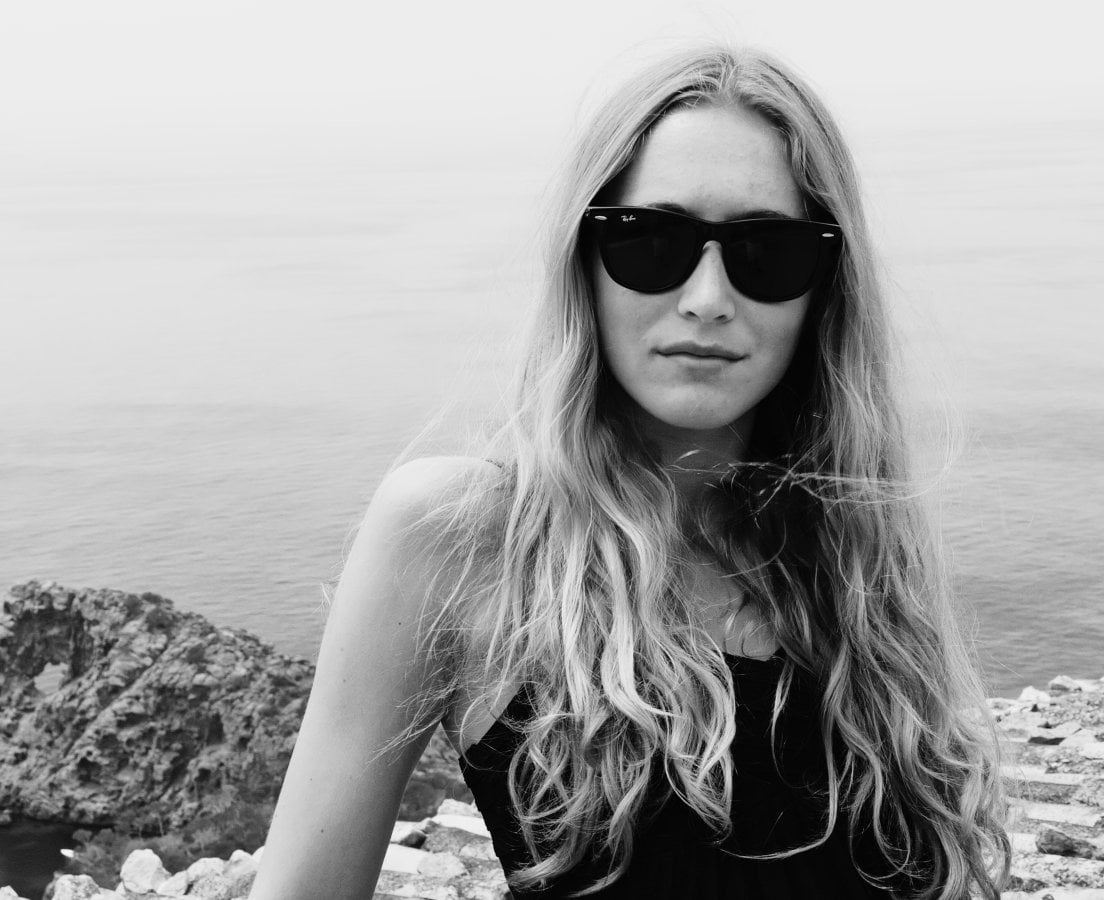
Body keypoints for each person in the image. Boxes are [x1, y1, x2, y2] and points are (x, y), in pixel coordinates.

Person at [248, 45, 1011, 899]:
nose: (708, 296)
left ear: (824, 288)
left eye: (768, 253)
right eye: (653, 241)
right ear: (585, 259)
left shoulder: (860, 548)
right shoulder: (463, 534)